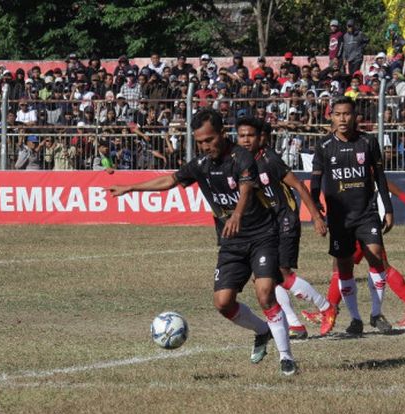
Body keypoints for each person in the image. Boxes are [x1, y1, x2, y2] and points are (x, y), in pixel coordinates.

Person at [107, 108, 298, 376]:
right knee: (223, 303)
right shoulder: (201, 164)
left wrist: (237, 216)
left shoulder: (241, 157)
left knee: (265, 292)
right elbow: (170, 180)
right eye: (200, 142)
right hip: (231, 242)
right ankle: (262, 330)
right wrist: (131, 188)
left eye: (209, 140)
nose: (205, 146)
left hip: (262, 235)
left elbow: (245, 189)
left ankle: (286, 358)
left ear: (222, 133)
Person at [234, 117, 337, 339]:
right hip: (267, 225)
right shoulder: (242, 162)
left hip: (285, 221)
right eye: (241, 136)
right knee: (263, 277)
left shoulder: (270, 159)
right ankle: (295, 325)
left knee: (281, 274)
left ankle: (325, 306)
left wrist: (316, 217)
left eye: (250, 136)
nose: (245, 141)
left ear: (261, 138)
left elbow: (299, 185)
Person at [310, 97, 394, 335]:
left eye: (347, 114)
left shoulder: (367, 141)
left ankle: (376, 314)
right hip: (339, 216)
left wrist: (387, 208)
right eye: (338, 114)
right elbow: (315, 181)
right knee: (344, 267)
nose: (343, 119)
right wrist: (316, 210)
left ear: (355, 116)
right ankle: (355, 319)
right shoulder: (324, 146)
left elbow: (380, 176)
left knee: (375, 255)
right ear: (331, 117)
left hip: (366, 211)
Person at [303, 181, 405, 327]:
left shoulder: (362, 161)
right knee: (376, 266)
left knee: (343, 266)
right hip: (363, 218)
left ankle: (327, 311)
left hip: (363, 219)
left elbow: (382, 181)